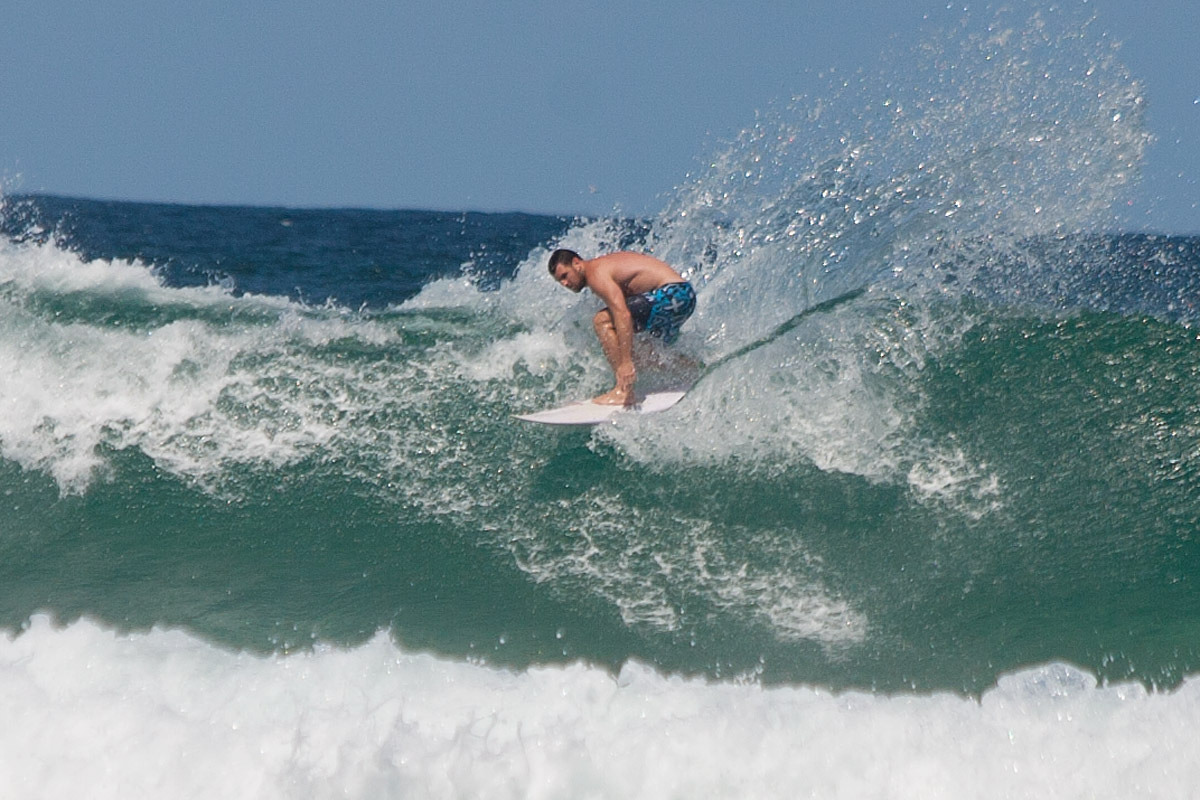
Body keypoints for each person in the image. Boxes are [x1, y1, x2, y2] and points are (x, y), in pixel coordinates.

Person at [548, 248, 696, 405]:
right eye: (560, 281)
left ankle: (623, 391)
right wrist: (627, 358)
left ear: (576, 263)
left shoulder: (595, 273)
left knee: (602, 321)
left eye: (565, 276)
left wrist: (625, 363)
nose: (565, 283)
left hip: (673, 293)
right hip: (685, 297)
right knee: (640, 352)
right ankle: (691, 368)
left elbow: (623, 314)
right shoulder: (604, 267)